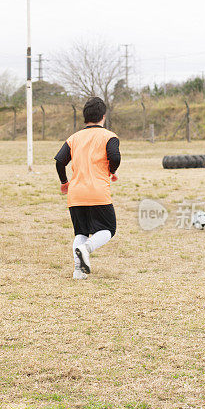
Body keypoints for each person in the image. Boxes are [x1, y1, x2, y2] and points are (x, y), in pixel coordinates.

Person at [54, 96, 120, 280]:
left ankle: (78, 271)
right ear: (103, 116)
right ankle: (86, 249)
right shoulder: (109, 136)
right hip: (98, 192)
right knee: (109, 229)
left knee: (81, 232)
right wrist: (112, 170)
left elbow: (60, 161)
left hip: (76, 194)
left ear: (85, 116)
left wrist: (64, 182)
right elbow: (115, 156)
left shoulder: (74, 138)